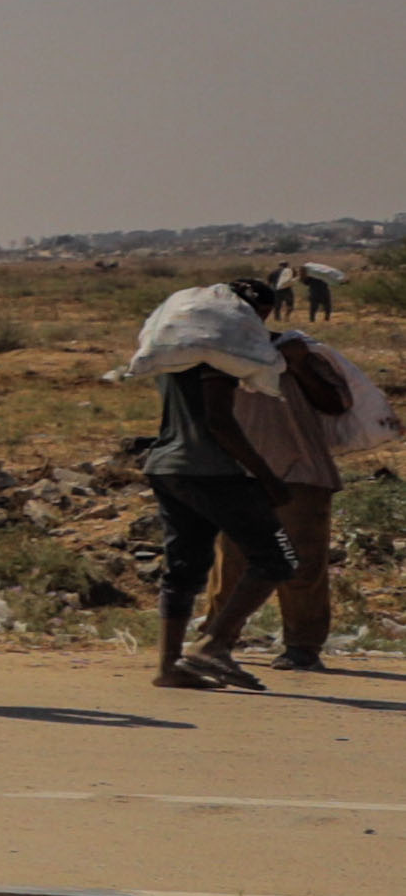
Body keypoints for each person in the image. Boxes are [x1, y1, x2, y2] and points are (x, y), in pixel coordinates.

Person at [124, 285, 297, 697]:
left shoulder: (178, 353)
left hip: (167, 467)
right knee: (278, 559)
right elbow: (219, 421)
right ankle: (213, 645)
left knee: (183, 569)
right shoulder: (219, 353)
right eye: (261, 315)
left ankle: (170, 666)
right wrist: (266, 476)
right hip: (210, 471)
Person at [241, 315, 367, 676]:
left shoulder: (298, 352)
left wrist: (297, 365)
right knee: (232, 559)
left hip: (301, 469)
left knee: (302, 562)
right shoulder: (217, 356)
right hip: (239, 472)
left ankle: (302, 646)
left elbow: (336, 403)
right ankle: (220, 637)